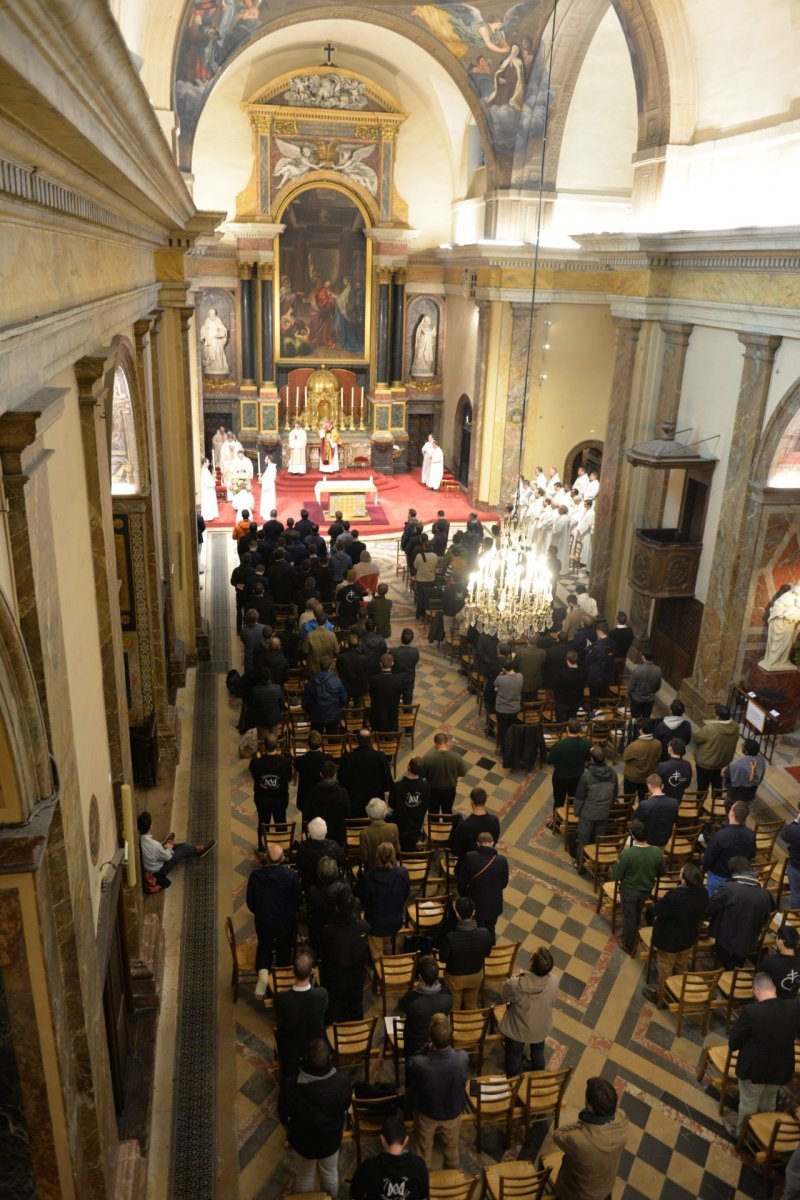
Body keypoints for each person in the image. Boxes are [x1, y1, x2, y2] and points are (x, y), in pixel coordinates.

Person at [726, 972, 800, 1140]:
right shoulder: (794, 1007)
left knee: (749, 1102)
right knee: (769, 1100)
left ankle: (742, 1134)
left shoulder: (752, 1012)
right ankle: (763, 1132)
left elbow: (734, 1042)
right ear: (774, 989)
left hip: (755, 1069)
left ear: (756, 991)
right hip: (781, 1068)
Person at [284, 1038, 352, 1196]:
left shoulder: (291, 1085)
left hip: (302, 1142)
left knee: (304, 1177)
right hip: (330, 1139)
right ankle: (330, 1198)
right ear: (329, 1059)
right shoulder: (341, 1081)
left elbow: (283, 1113)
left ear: (305, 1059)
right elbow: (346, 1104)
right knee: (329, 1173)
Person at [406, 1015, 468, 1169]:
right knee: (452, 1149)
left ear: (430, 1038)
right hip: (452, 1112)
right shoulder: (462, 1058)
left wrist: (427, 1047)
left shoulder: (421, 1064)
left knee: (424, 1148)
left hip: (428, 1113)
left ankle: (424, 1178)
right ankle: (452, 1176)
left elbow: (410, 1061)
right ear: (451, 1037)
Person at [643, 862, 708, 1005]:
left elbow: (659, 910)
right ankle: (677, 992)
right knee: (681, 965)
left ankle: (660, 997)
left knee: (665, 968)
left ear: (683, 879)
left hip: (669, 940)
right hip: (688, 937)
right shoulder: (703, 892)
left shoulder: (675, 896)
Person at [553, 1077, 628, 1200]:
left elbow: (558, 1135)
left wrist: (584, 1121)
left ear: (590, 1107)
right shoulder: (622, 1119)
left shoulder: (578, 1140)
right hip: (605, 1189)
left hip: (579, 1194)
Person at [247, 845, 302, 995]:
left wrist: (260, 912)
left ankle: (264, 973)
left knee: (264, 948)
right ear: (283, 858)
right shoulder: (291, 876)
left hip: (264, 921)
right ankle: (280, 981)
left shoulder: (255, 876)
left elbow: (250, 902)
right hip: (285, 922)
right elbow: (298, 900)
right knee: (284, 949)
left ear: (265, 857)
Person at [498, 947, 559, 1075]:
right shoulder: (554, 981)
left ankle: (513, 1078)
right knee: (538, 1052)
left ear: (531, 963)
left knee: (514, 1054)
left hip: (518, 1028)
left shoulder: (515, 984)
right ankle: (537, 1074)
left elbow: (505, 997)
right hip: (541, 1026)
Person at [706, 856, 774, 967]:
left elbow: (710, 908)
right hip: (748, 939)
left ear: (732, 871)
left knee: (725, 963)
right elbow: (766, 917)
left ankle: (727, 974)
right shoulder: (764, 894)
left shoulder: (728, 888)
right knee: (738, 965)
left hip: (725, 937)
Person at [610, 819, 664, 955]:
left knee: (629, 917)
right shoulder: (656, 852)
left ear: (631, 835)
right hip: (646, 890)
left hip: (629, 891)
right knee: (637, 911)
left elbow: (616, 875)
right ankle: (634, 929)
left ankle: (629, 944)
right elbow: (662, 871)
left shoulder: (627, 854)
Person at [274, 951, 329, 1082]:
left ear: (293, 971)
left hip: (290, 1048)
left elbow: (280, 1020)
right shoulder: (322, 994)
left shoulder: (281, 998)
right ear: (312, 972)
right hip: (315, 1048)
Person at [319, 888, 370, 1022]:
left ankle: (332, 1035)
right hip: (356, 977)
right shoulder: (364, 927)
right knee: (356, 1007)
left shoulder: (328, 931)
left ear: (336, 908)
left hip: (335, 978)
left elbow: (323, 954)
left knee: (334, 1008)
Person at [350, 1115, 429, 1200]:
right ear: (406, 1140)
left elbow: (355, 1193)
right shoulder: (418, 1164)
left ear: (382, 1139)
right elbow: (424, 1194)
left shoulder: (369, 1166)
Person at [358, 842, 410, 961]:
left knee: (377, 956)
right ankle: (386, 959)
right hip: (394, 920)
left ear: (377, 856)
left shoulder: (368, 878)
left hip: (375, 924)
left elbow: (364, 902)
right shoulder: (403, 873)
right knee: (386, 943)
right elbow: (406, 895)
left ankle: (380, 972)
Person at [439, 896, 493, 1010]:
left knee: (454, 1007)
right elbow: (487, 954)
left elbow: (442, 959)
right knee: (471, 1005)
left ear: (457, 914)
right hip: (476, 975)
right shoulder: (485, 933)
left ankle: (455, 1026)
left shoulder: (450, 938)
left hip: (455, 978)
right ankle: (471, 1025)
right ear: (473, 912)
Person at [137, 811, 214, 891]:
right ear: (150, 826)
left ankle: (168, 843)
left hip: (152, 863)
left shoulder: (142, 840)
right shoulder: (154, 845)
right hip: (159, 870)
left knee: (176, 846)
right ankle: (199, 851)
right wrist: (169, 847)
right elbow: (167, 857)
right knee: (184, 848)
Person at [397, 956, 453, 1059]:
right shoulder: (448, 995)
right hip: (439, 1042)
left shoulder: (412, 999)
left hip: (416, 1044)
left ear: (420, 977)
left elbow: (402, 1005)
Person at [572, 746, 618, 869]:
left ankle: (579, 863)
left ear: (591, 759)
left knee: (583, 839)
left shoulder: (586, 776)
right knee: (598, 839)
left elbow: (580, 797)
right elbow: (615, 793)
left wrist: (577, 812)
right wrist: (609, 806)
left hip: (588, 813)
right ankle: (595, 864)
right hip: (604, 812)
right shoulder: (613, 773)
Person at [458, 831, 508, 936]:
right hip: (494, 905)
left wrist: (465, 896)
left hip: (475, 904)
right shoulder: (502, 860)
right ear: (493, 843)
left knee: (476, 931)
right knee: (490, 929)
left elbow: (462, 882)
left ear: (477, 843)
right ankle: (490, 948)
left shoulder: (470, 857)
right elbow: (504, 883)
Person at [249, 733, 293, 848]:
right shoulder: (285, 763)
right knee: (281, 822)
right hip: (280, 799)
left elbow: (254, 775)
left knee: (263, 823)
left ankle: (262, 848)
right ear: (277, 745)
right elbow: (288, 778)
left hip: (262, 799)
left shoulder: (255, 763)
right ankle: (282, 847)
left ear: (263, 746)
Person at [702, 801, 756, 895]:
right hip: (739, 877)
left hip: (719, 877)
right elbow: (752, 854)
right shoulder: (751, 835)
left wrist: (704, 867)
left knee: (713, 902)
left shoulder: (720, 835)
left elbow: (708, 857)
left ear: (731, 813)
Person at [546, 718, 591, 829]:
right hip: (577, 777)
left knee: (559, 800)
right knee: (573, 800)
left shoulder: (560, 745)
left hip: (560, 777)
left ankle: (556, 823)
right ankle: (571, 822)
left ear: (567, 729)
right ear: (579, 729)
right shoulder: (586, 744)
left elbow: (550, 760)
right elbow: (588, 759)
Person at [339, 728, 393, 819]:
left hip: (354, 806)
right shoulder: (380, 757)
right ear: (371, 740)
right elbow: (388, 784)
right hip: (376, 808)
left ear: (357, 741)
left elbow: (341, 783)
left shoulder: (347, 758)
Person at [692, 704, 740, 794]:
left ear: (718, 717)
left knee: (702, 787)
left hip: (706, 762)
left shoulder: (711, 728)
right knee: (717, 784)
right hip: (723, 761)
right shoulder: (735, 727)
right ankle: (716, 802)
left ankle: (699, 804)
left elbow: (696, 739)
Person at [305, 760, 350, 847]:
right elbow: (347, 812)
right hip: (337, 835)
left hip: (318, 834)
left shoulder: (312, 792)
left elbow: (307, 814)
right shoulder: (342, 792)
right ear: (335, 775)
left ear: (321, 774)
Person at [449, 786, 500, 864]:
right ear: (486, 800)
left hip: (468, 864)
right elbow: (494, 842)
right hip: (487, 862)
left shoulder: (464, 826)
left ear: (471, 801)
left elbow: (456, 851)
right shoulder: (494, 820)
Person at [421, 731, 467, 815]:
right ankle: (447, 827)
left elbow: (422, 775)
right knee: (447, 812)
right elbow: (463, 773)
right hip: (450, 791)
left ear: (435, 744)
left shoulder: (427, 758)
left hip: (432, 791)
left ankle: (434, 827)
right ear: (447, 742)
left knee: (433, 812)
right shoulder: (457, 757)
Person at [391, 758, 430, 852]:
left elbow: (391, 804)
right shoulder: (426, 786)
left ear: (408, 767)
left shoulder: (397, 786)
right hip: (416, 826)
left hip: (399, 825)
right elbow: (426, 805)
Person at [295, 816, 346, 890]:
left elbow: (299, 865)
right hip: (331, 883)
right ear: (326, 831)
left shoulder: (303, 848)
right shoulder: (334, 846)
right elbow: (342, 861)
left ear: (310, 833)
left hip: (310, 885)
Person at [759, 580, 800, 670]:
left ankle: (782, 661)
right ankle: (773, 661)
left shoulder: (796, 599)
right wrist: (785, 616)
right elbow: (776, 608)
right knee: (777, 644)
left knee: (786, 645)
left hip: (789, 625)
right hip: (781, 623)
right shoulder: (787, 597)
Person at [302, 655, 348, 732]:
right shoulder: (337, 681)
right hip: (333, 716)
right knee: (333, 741)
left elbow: (305, 701)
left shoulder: (311, 681)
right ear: (330, 667)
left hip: (316, 715)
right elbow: (344, 700)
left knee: (315, 740)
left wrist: (310, 711)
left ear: (320, 666)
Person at [634, 774, 680, 848]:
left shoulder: (644, 805)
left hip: (647, 842)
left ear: (649, 786)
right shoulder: (674, 803)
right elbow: (674, 824)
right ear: (662, 786)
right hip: (664, 840)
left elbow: (636, 823)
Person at [622, 719, 662, 801]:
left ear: (641, 730)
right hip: (647, 777)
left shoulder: (635, 745)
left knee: (628, 799)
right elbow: (658, 757)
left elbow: (625, 757)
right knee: (643, 799)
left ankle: (627, 812)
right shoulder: (658, 743)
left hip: (632, 777)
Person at [359, 798, 401, 872]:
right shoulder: (394, 827)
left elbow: (364, 858)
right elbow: (397, 850)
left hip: (372, 872)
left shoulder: (364, 833)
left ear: (369, 815)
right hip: (391, 870)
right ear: (384, 813)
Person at [722, 737, 766, 807]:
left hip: (735, 795)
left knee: (731, 814)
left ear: (746, 751)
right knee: (743, 810)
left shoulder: (738, 765)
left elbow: (725, 774)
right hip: (750, 795)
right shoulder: (761, 761)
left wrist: (724, 771)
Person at [760, 924, 800, 998]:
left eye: (777, 937)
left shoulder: (769, 963)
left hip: (774, 1002)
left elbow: (759, 983)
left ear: (781, 941)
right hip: (793, 1001)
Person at [369, 653, 405, 732]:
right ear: (392, 663)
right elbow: (399, 693)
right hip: (392, 714)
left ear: (380, 664)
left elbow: (371, 695)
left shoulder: (373, 679)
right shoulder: (398, 680)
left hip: (377, 713)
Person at [493, 658, 522, 749]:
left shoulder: (500, 678)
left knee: (503, 729)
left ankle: (504, 748)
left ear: (504, 669)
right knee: (512, 728)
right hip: (515, 708)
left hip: (502, 708)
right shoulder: (520, 676)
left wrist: (501, 674)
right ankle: (512, 745)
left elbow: (495, 684)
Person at [552, 650, 587, 722]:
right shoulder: (584, 673)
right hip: (576, 702)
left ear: (567, 661)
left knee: (561, 724)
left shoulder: (562, 674)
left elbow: (555, 687)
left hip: (562, 703)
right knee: (572, 723)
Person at [655, 737, 693, 801]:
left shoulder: (662, 766)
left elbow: (656, 786)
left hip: (662, 800)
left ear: (670, 749)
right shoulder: (687, 765)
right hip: (678, 799)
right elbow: (687, 784)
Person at [627, 650, 662, 719]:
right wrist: (651, 693)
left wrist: (629, 693)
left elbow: (631, 686)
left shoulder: (638, 670)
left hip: (637, 698)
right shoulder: (658, 670)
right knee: (646, 719)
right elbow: (658, 686)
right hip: (650, 699)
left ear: (643, 657)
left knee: (635, 718)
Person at [391, 628, 420, 704]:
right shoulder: (415, 652)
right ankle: (407, 714)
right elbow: (415, 662)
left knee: (394, 703)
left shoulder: (394, 652)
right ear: (412, 639)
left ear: (401, 638)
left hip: (396, 680)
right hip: (409, 680)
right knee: (407, 704)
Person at [585, 624, 615, 698]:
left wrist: (590, 651)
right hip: (607, 675)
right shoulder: (613, 643)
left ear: (600, 631)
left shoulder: (597, 647)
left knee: (594, 698)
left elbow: (588, 659)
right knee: (603, 697)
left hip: (596, 677)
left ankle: (594, 709)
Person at [781, 802, 800, 908]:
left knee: (796, 894)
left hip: (797, 867)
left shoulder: (796, 830)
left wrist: (796, 821)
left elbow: (784, 835)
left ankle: (796, 918)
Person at [200, 456, 219, 522]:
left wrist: (213, 477)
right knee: (207, 504)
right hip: (207, 491)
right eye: (208, 462)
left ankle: (210, 516)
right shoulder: (204, 471)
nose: (209, 463)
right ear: (204, 463)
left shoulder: (205, 470)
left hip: (208, 491)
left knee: (209, 503)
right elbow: (208, 483)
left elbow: (209, 479)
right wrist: (213, 481)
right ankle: (207, 517)